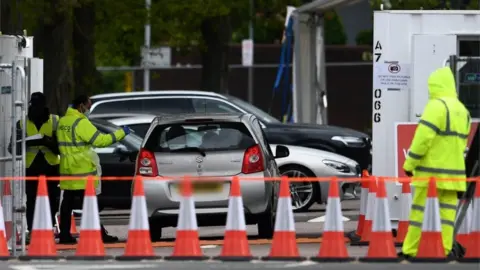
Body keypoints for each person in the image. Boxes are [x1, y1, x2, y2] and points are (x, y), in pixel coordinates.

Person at [401, 67, 471, 258]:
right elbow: (463, 144)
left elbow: (422, 139)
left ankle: (410, 251)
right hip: (454, 175)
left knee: (418, 214)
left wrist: (410, 164)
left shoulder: (436, 106)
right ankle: (446, 250)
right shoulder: (462, 110)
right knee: (447, 216)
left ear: (434, 86)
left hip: (430, 174)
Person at [56, 94, 130, 244]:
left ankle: (64, 235)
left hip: (67, 168)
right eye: (88, 106)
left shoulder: (63, 121)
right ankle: (99, 235)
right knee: (90, 204)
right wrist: (122, 133)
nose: (89, 109)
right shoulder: (81, 123)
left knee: (67, 204)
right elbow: (101, 141)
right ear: (81, 106)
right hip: (82, 170)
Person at [8, 92, 60, 244]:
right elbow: (13, 148)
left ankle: (49, 228)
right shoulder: (22, 123)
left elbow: (61, 147)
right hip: (31, 167)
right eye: (33, 104)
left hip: (50, 166)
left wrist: (48, 143)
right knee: (31, 201)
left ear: (44, 104)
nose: (35, 107)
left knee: (51, 199)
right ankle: (32, 231)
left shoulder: (55, 121)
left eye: (38, 104)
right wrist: (25, 143)